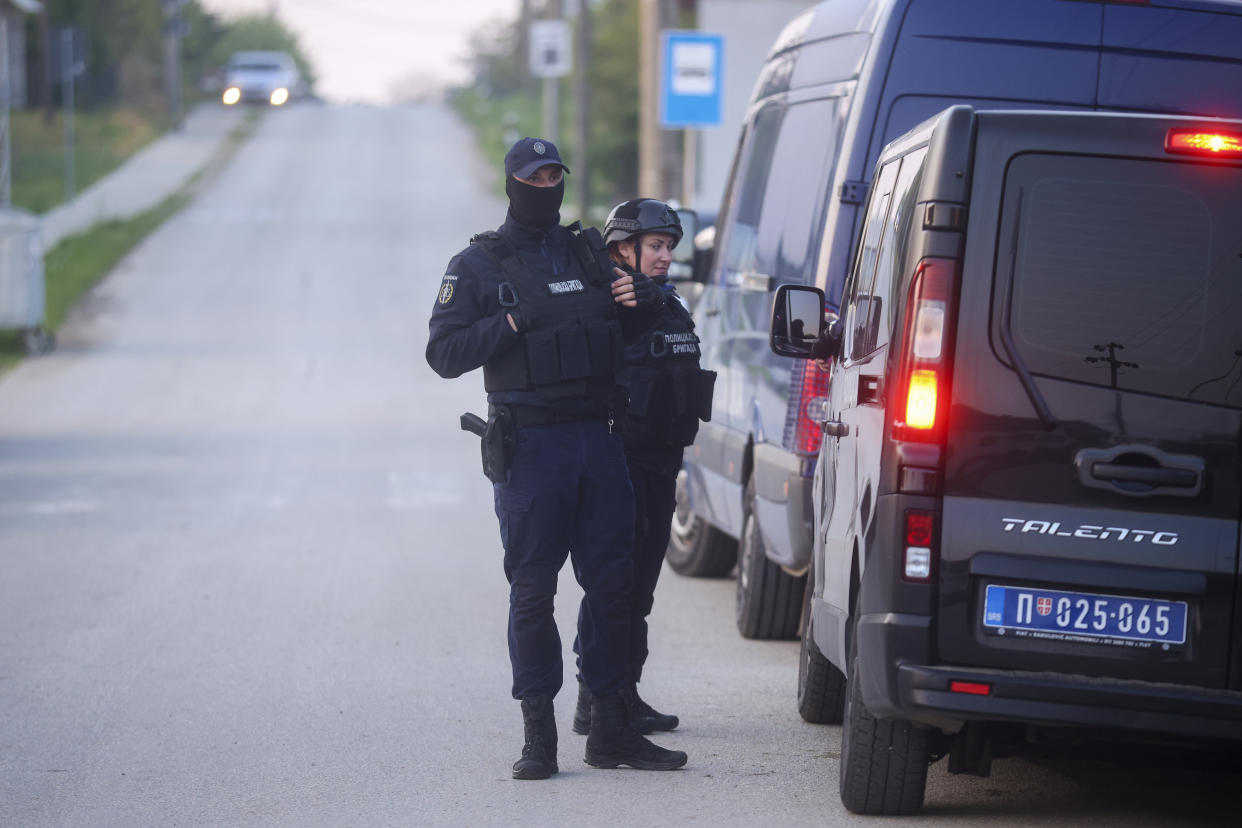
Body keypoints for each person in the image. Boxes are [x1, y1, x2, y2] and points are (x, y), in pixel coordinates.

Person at [425, 138, 687, 780]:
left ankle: (610, 729)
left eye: (554, 175)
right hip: (530, 446)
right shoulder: (480, 263)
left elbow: (637, 316)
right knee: (533, 592)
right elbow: (443, 353)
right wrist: (510, 326)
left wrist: (640, 300)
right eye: (534, 176)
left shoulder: (586, 252)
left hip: (597, 440)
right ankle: (538, 736)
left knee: (615, 587)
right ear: (513, 183)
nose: (547, 185)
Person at [571, 199, 715, 738]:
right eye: (655, 246)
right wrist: (643, 298)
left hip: (659, 463)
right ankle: (598, 699)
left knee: (641, 590)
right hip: (621, 465)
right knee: (615, 587)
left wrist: (655, 297)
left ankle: (624, 691)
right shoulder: (618, 298)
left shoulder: (662, 299)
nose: (665, 257)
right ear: (622, 250)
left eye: (669, 247)